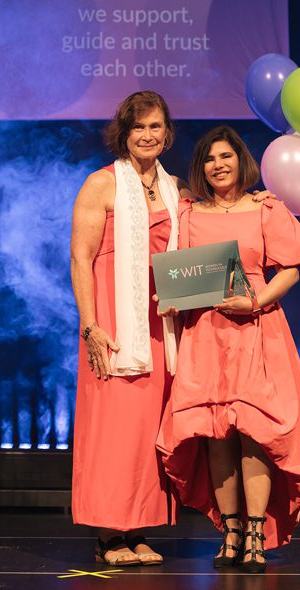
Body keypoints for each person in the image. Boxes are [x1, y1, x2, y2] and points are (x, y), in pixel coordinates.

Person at [156, 125, 300, 573]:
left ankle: (255, 534)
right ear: (201, 168)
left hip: (256, 328)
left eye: (225, 156)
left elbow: (291, 270)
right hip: (206, 333)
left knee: (256, 432)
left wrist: (256, 301)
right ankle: (228, 532)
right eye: (209, 158)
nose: (218, 164)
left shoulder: (265, 208)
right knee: (215, 431)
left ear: (240, 160)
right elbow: (181, 274)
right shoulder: (189, 214)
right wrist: (170, 297)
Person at [70, 91, 191, 566]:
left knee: (148, 431)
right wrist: (90, 325)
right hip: (112, 326)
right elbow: (81, 257)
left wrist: (255, 199)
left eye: (155, 126)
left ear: (167, 133)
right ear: (124, 133)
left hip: (159, 325)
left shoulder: (175, 187)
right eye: (138, 127)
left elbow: (200, 237)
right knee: (112, 431)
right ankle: (108, 535)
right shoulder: (101, 184)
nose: (147, 135)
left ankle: (138, 528)